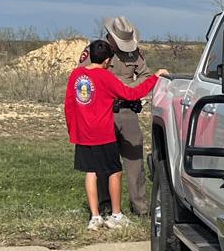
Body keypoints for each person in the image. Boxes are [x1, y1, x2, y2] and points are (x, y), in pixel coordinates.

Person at [66, 39, 168, 230]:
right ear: (106, 61)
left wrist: (73, 130)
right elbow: (131, 93)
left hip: (84, 133)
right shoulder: (106, 77)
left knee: (91, 172)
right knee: (115, 171)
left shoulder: (77, 75)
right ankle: (116, 214)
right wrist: (155, 78)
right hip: (104, 133)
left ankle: (95, 216)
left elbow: (69, 103)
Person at [78, 16, 152, 215]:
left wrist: (127, 88)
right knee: (102, 161)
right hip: (103, 112)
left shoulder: (135, 53)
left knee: (135, 161)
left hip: (128, 110)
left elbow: (145, 74)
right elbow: (83, 77)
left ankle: (141, 207)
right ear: (110, 37)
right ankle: (105, 205)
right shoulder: (95, 52)